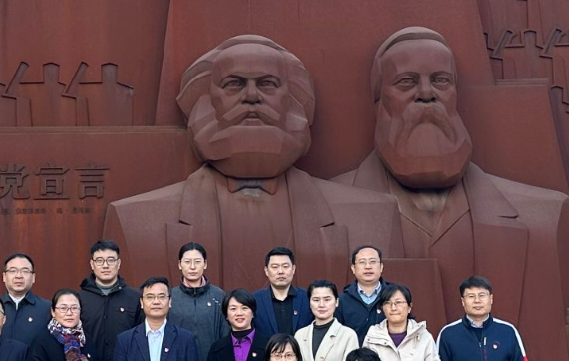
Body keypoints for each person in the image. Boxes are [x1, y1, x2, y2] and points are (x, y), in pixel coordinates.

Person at [333, 27, 569, 361]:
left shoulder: (545, 215)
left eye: (441, 80)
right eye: (406, 82)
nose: (426, 94)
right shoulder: (331, 212)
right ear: (379, 101)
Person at [103, 35, 402, 286]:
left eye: (267, 84)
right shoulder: (133, 221)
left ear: (292, 99)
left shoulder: (373, 215)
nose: (251, 96)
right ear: (206, 100)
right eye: (234, 84)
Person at [78, 240, 141, 361]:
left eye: (110, 260)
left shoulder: (135, 298)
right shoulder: (79, 299)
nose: (105, 265)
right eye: (99, 260)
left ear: (118, 263)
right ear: (92, 264)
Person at [296, 280, 361, 361]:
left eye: (327, 299)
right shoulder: (300, 335)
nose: (321, 305)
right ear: (309, 303)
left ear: (336, 302)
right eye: (316, 300)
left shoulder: (348, 335)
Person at [167, 242, 225, 361]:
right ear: (179, 265)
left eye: (197, 262)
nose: (192, 267)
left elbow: (225, 334)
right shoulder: (170, 296)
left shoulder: (218, 295)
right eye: (187, 262)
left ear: (205, 264)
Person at [253, 247, 312, 340]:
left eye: (285, 266)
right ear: (266, 271)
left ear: (293, 269)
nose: (280, 271)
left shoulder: (308, 298)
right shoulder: (255, 301)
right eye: (275, 267)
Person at [337, 246, 390, 344]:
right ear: (353, 268)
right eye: (362, 262)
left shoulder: (394, 295)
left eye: (373, 262)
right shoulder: (342, 300)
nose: (368, 266)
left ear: (381, 267)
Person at [0, 253, 52, 349]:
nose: (19, 276)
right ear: (4, 277)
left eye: (25, 271)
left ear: (33, 277)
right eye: (13, 271)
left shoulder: (47, 309)